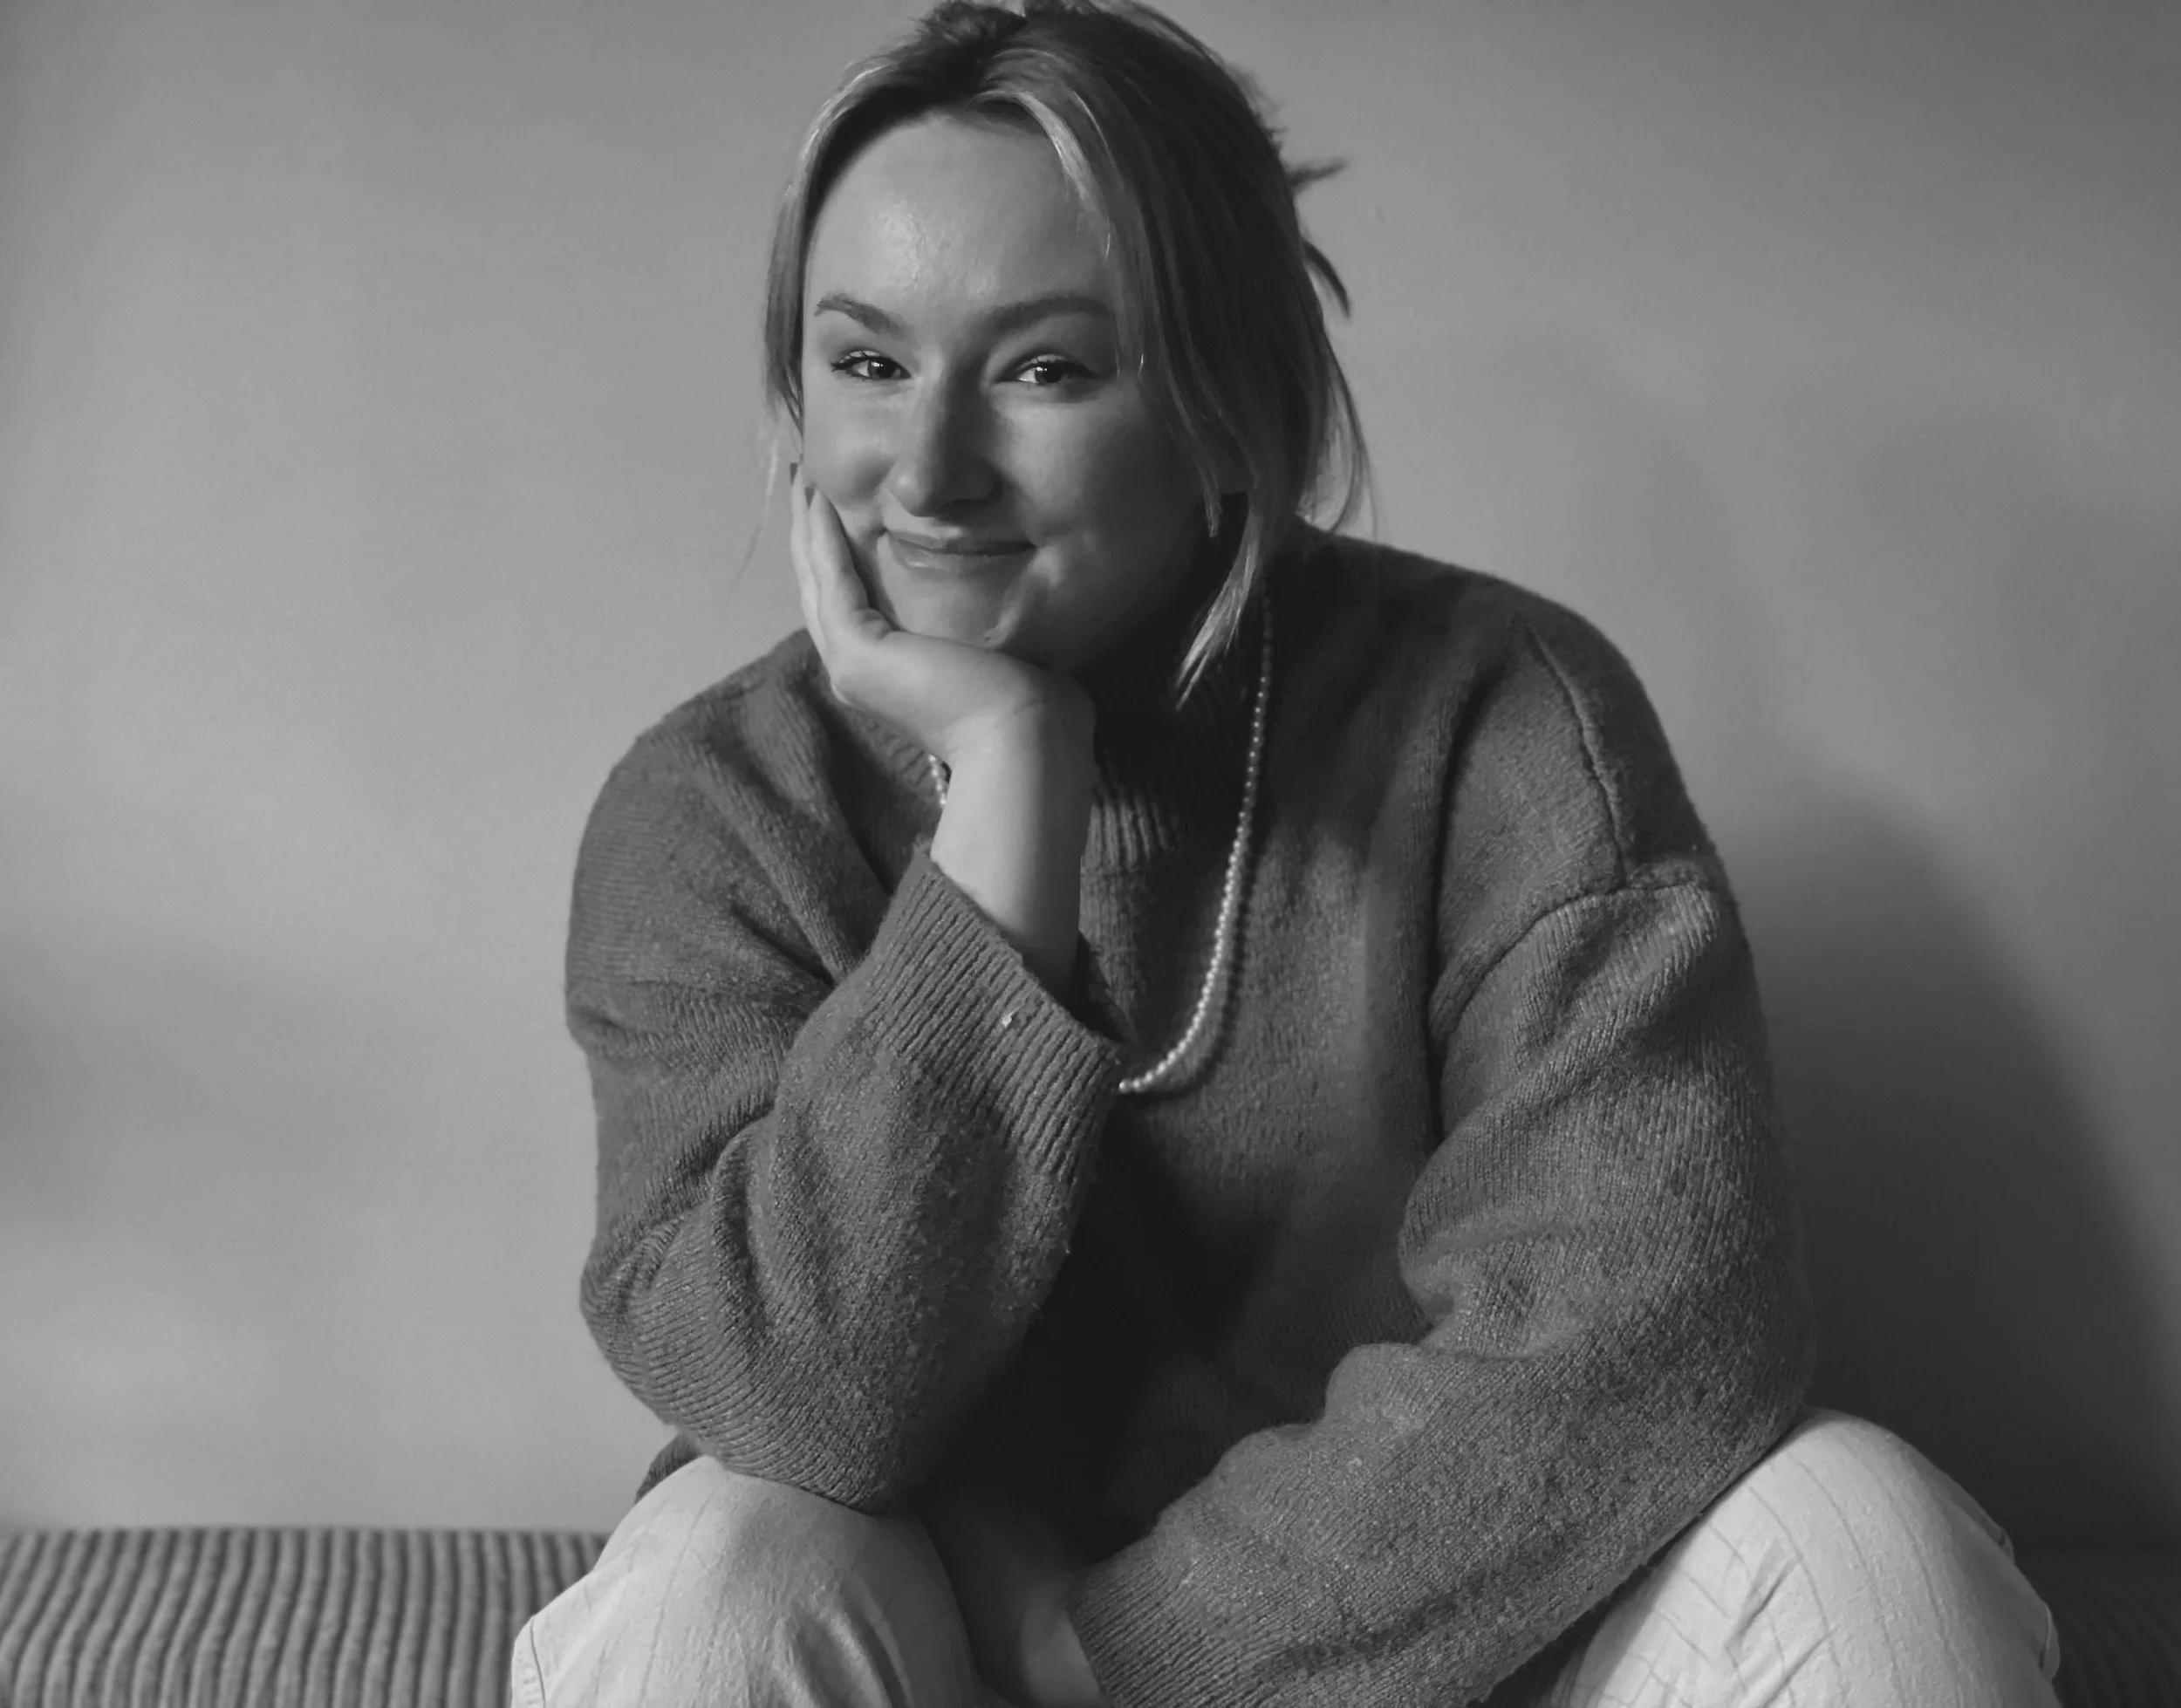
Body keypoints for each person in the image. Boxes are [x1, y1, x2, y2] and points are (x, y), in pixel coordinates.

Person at [511, 2, 2065, 1702]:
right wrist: (1012, 790)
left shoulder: (1497, 716)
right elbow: (796, 1399)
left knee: (1864, 1537)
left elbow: (1652, 1325)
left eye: (1044, 367)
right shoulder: (720, 806)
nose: (930, 471)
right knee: (717, 1584)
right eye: (867, 363)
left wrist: (1122, 1651)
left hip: (1422, 1642)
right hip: (927, 1652)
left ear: (1224, 395)